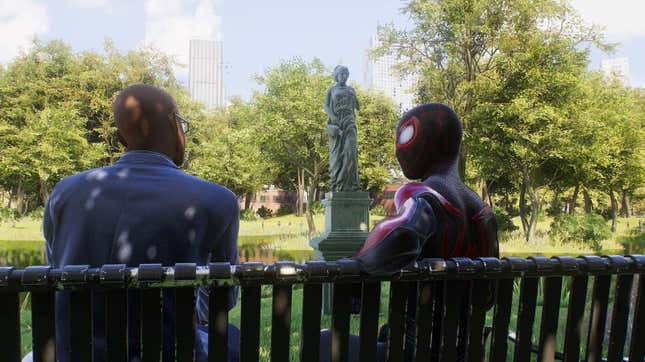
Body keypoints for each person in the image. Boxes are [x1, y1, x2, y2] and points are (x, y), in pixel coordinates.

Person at [40, 84, 240, 362]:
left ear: (123, 135)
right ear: (174, 124)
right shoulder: (218, 200)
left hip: (74, 355)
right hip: (168, 354)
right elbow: (223, 299)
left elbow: (56, 272)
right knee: (229, 337)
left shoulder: (65, 192)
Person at [320, 103, 498, 362]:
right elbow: (487, 298)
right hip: (466, 353)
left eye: (404, 136)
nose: (398, 150)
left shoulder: (421, 194)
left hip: (414, 354)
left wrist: (353, 271)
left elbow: (400, 235)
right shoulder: (484, 213)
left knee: (324, 342)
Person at [324, 65, 360, 191]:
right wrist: (332, 116)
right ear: (336, 76)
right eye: (341, 74)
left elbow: (358, 106)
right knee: (337, 154)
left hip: (349, 122)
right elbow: (327, 106)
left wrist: (354, 97)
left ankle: (351, 185)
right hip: (337, 124)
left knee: (350, 152)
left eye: (346, 74)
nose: (344, 76)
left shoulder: (351, 89)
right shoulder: (331, 90)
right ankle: (336, 184)